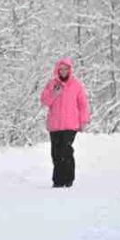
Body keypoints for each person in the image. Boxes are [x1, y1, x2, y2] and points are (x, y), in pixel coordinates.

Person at [39, 57, 91, 188]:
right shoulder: (51, 84)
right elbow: (44, 101)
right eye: (61, 69)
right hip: (55, 125)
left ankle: (68, 180)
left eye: (66, 69)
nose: (63, 71)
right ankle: (57, 181)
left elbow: (83, 104)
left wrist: (83, 121)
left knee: (66, 151)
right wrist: (54, 93)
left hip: (70, 125)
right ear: (57, 70)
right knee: (55, 153)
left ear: (70, 70)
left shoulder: (76, 85)